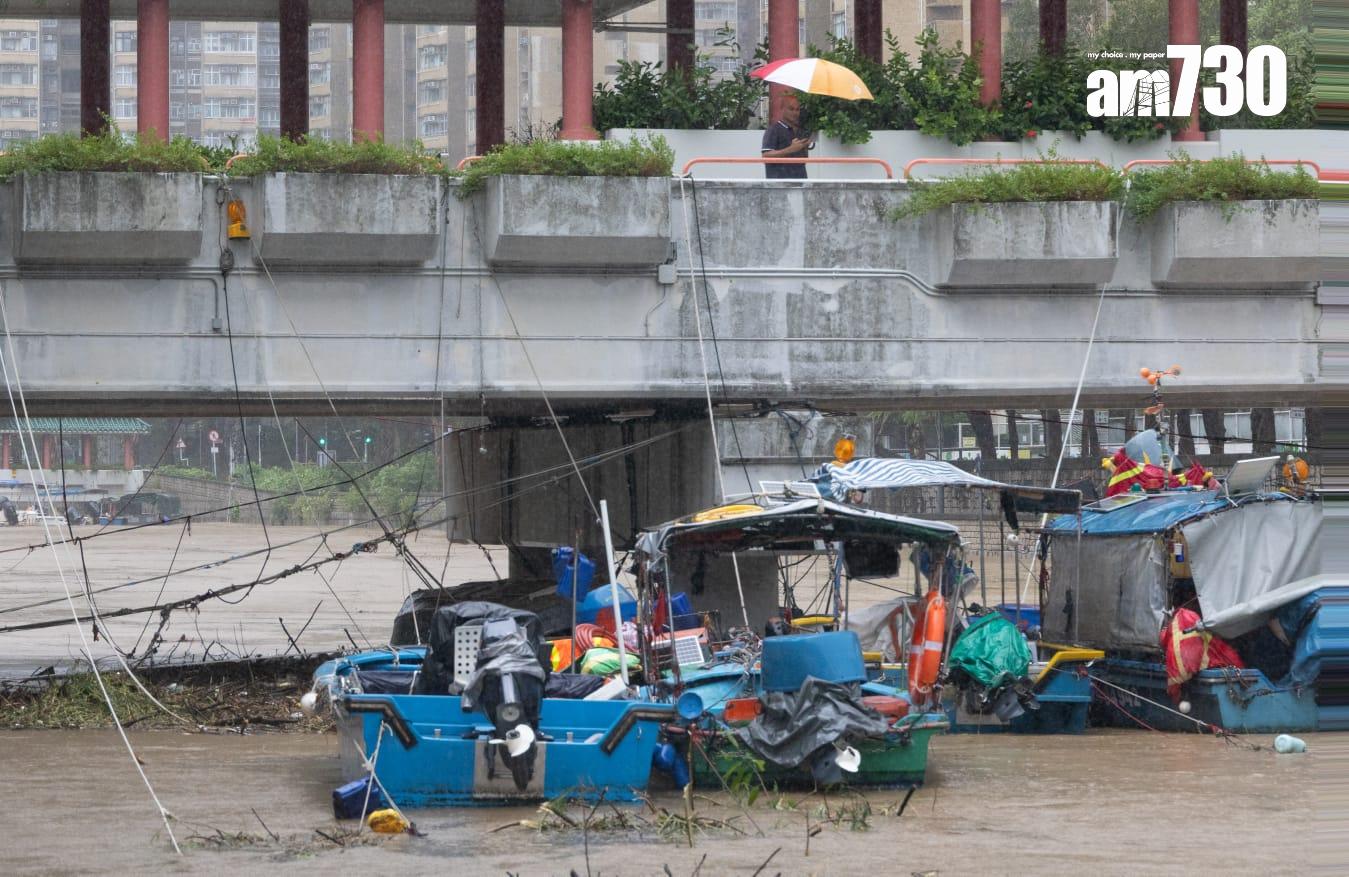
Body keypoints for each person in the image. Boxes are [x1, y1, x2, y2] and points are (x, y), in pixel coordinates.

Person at [760, 94, 812, 179]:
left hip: (800, 183)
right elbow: (765, 156)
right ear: (782, 109)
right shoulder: (773, 130)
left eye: (797, 109)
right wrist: (790, 149)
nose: (795, 113)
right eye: (791, 109)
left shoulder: (800, 131)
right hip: (779, 185)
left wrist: (805, 147)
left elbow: (803, 160)